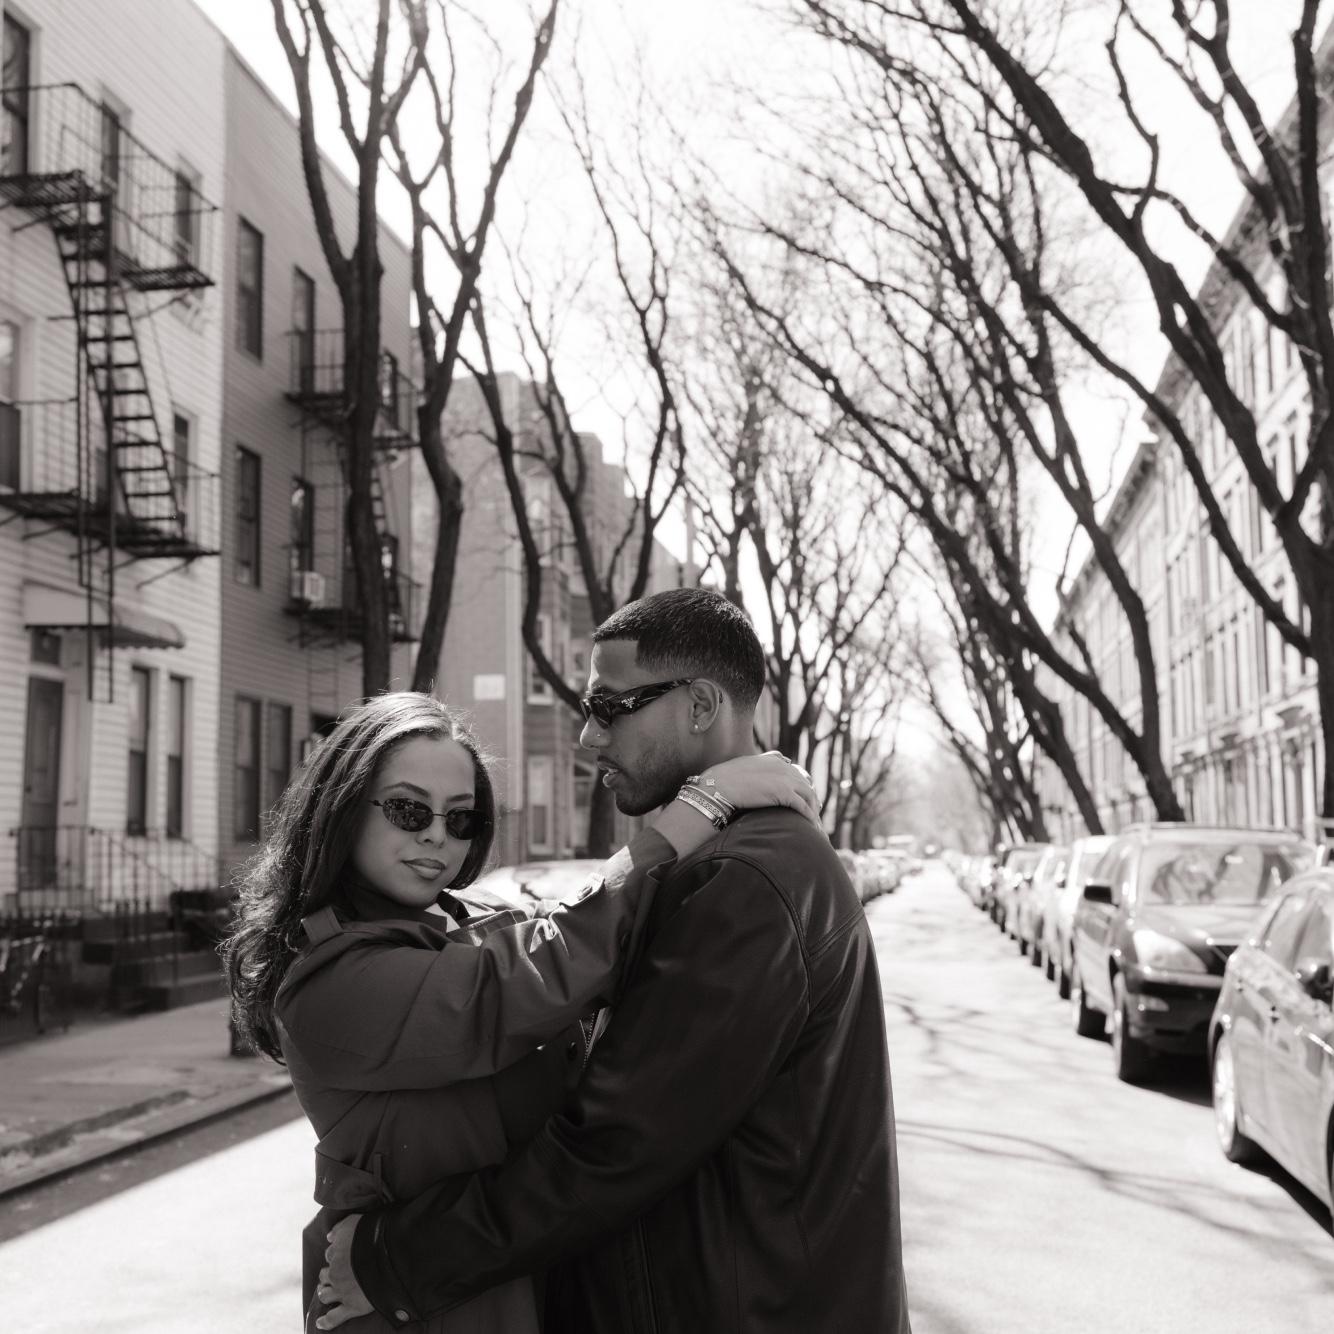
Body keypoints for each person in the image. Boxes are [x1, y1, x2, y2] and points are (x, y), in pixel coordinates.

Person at [318, 590, 913, 1333]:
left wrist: (395, 1260)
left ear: (701, 705)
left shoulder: (739, 879)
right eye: (408, 811)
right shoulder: (732, 859)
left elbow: (613, 1146)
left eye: (609, 706)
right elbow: (533, 972)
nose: (588, 737)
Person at [222, 689, 818, 1334]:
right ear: (342, 806)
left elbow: (582, 940)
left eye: (461, 818)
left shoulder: (467, 921)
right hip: (414, 1310)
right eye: (407, 809)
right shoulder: (330, 981)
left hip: (504, 1289)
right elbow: (537, 972)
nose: (435, 834)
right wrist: (702, 804)